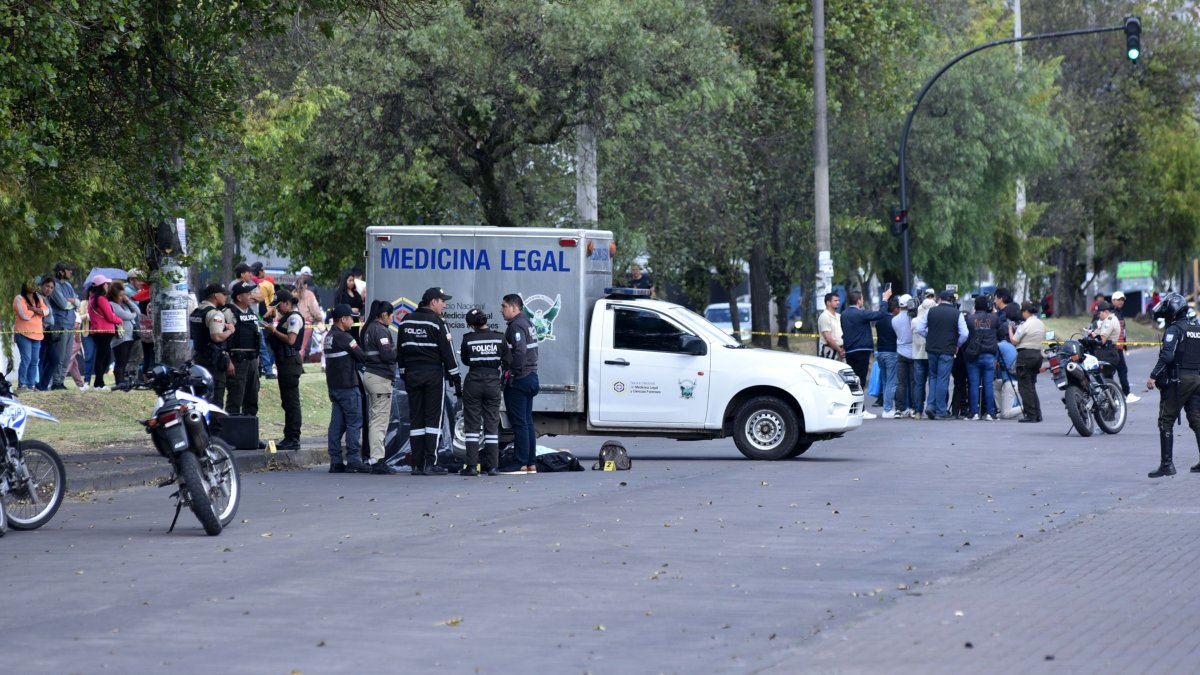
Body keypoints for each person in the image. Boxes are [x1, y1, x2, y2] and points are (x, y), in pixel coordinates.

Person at [397, 287, 461, 476]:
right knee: (433, 419)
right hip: (432, 375)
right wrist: (455, 377)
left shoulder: (406, 321)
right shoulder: (438, 322)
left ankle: (417, 464)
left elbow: (400, 351)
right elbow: (448, 353)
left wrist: (404, 373)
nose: (445, 305)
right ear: (433, 302)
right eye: (442, 301)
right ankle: (430, 463)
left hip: (412, 375)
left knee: (416, 418)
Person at [1145, 292, 1200, 478]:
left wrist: (1153, 375)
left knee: (1165, 420)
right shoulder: (1197, 328)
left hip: (1180, 380)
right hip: (1197, 378)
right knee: (1197, 420)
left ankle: (1167, 465)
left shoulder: (1174, 329)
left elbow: (1167, 356)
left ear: (1172, 311)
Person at [459, 308, 510, 476]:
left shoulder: (468, 339)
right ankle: (493, 467)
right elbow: (507, 361)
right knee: (492, 424)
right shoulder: (499, 337)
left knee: (472, 425)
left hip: (473, 382)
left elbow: (465, 360)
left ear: (472, 325)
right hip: (493, 383)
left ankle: (472, 467)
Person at [323, 304, 370, 474]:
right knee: (354, 424)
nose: (352, 321)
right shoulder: (344, 337)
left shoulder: (329, 337)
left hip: (334, 387)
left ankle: (335, 461)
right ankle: (354, 460)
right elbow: (362, 356)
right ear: (342, 319)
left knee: (336, 425)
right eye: (351, 318)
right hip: (348, 387)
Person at [501, 293, 540, 473]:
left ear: (514, 307)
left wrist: (511, 373)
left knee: (519, 423)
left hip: (520, 379)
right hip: (531, 376)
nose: (501, 310)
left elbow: (520, 351)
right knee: (527, 422)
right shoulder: (528, 322)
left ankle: (521, 462)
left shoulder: (516, 325)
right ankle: (531, 462)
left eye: (504, 306)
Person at [840, 289, 893, 418]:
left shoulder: (844, 314)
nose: (863, 301)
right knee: (861, 380)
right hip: (861, 350)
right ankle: (861, 410)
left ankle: (853, 409)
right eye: (862, 299)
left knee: (852, 381)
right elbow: (880, 314)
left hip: (849, 350)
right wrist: (885, 299)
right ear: (858, 300)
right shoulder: (861, 314)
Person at [360, 299, 399, 474]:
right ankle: (377, 460)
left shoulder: (369, 328)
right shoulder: (381, 330)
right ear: (384, 315)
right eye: (391, 316)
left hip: (371, 376)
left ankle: (374, 457)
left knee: (374, 418)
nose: (392, 318)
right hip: (380, 378)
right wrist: (400, 350)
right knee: (379, 421)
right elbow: (387, 355)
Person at [915, 291, 967, 420]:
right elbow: (964, 334)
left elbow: (920, 329)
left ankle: (930, 405)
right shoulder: (957, 314)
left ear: (939, 300)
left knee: (933, 377)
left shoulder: (930, 311)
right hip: (947, 349)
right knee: (943, 379)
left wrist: (930, 337)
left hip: (932, 349)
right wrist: (957, 344)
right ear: (952, 300)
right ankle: (940, 410)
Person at [263, 289, 305, 450]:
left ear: (287, 303)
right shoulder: (286, 317)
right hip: (284, 362)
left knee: (291, 402)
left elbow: (291, 340)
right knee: (287, 401)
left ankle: (293, 437)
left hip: (290, 362)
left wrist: (274, 331)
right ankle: (289, 436)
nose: (278, 309)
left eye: (279, 306)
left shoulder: (294, 318)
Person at [190, 283, 236, 407]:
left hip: (199, 358)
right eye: (224, 294)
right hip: (213, 361)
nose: (226, 297)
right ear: (216, 295)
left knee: (201, 397)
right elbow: (217, 337)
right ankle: (214, 420)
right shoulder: (215, 314)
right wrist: (230, 330)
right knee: (216, 398)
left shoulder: (197, 311)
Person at [223, 281, 262, 417]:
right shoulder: (228, 313)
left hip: (252, 360)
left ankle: (250, 427)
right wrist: (228, 361)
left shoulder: (251, 312)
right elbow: (222, 340)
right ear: (239, 297)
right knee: (236, 396)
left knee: (252, 396)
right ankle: (233, 428)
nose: (252, 296)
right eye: (248, 294)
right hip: (237, 361)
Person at [963, 296, 1001, 421]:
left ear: (975, 305)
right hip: (989, 355)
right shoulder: (994, 318)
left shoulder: (970, 318)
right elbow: (1000, 328)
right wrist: (993, 310)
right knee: (988, 385)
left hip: (974, 355)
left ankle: (974, 412)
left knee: (973, 384)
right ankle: (990, 412)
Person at [1008, 301, 1046, 423]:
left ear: (1025, 311)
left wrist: (1010, 329)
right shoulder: (1040, 323)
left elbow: (1014, 341)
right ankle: (1037, 414)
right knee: (1031, 386)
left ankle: (1031, 415)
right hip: (1037, 355)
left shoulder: (1025, 325)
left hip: (1025, 356)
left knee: (1024, 386)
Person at [46, 261, 80, 390]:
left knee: (67, 357)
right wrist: (73, 302)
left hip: (70, 324)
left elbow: (78, 302)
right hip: (60, 324)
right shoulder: (55, 286)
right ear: (61, 271)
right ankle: (55, 382)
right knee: (60, 356)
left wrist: (73, 301)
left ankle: (61, 380)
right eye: (68, 270)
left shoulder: (68, 285)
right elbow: (63, 304)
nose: (71, 272)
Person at [85, 275, 123, 391]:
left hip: (97, 331)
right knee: (103, 358)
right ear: (101, 285)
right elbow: (110, 316)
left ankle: (98, 382)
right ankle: (99, 384)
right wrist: (119, 320)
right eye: (106, 284)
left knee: (103, 357)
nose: (107, 285)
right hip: (104, 331)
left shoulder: (92, 299)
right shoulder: (101, 299)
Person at [13, 279, 48, 390]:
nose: (33, 286)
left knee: (34, 361)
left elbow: (46, 311)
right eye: (30, 284)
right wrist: (38, 311)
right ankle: (22, 384)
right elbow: (25, 315)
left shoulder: (38, 298)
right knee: (26, 359)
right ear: (25, 285)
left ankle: (31, 384)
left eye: (34, 284)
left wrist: (32, 309)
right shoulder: (19, 298)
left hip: (37, 334)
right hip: (23, 334)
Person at [107, 282, 141, 387]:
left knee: (125, 360)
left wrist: (128, 301)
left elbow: (138, 312)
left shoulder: (124, 304)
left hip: (129, 336)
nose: (123, 297)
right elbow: (125, 316)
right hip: (121, 337)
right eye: (120, 295)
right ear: (114, 295)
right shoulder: (112, 305)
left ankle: (123, 380)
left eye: (124, 295)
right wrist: (133, 314)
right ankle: (119, 381)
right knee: (120, 361)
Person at [909, 290, 936, 419]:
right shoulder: (933, 320)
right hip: (930, 355)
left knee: (919, 384)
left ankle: (918, 411)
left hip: (917, 356)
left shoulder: (914, 321)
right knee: (932, 382)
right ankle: (931, 407)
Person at [1110, 291, 1139, 402]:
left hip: (1119, 347)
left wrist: (1125, 346)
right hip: (1112, 348)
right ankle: (1119, 396)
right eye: (1119, 299)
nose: (1121, 302)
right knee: (1115, 371)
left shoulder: (1119, 312)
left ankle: (1119, 396)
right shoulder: (1111, 313)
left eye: (1122, 300)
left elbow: (1123, 331)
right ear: (1113, 300)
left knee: (1120, 370)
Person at [875, 296, 900, 418]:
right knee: (891, 382)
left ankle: (886, 406)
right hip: (891, 352)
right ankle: (888, 409)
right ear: (895, 309)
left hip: (880, 352)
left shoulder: (879, 320)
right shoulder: (894, 321)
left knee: (885, 381)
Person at [892, 295, 915, 418]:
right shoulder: (912, 318)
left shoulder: (894, 320)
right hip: (913, 352)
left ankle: (899, 409)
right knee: (913, 382)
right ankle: (913, 408)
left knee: (901, 383)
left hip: (900, 352)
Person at [294, 266, 323, 360]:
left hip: (293, 322)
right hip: (306, 323)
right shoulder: (310, 294)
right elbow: (315, 310)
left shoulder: (292, 293)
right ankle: (299, 365)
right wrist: (318, 318)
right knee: (302, 348)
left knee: (294, 347)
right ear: (305, 285)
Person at [1089, 301, 1122, 380]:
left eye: (1099, 313)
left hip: (1107, 353)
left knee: (1104, 380)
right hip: (1108, 352)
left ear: (1106, 311)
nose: (1098, 315)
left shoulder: (1109, 321)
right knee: (1106, 380)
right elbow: (1096, 332)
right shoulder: (1109, 320)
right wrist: (1092, 333)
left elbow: (1102, 340)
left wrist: (1093, 337)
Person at [35, 275, 57, 391]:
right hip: (40, 331)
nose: (49, 289)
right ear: (41, 286)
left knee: (54, 359)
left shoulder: (47, 298)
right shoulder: (37, 297)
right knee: (41, 358)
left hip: (48, 332)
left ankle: (43, 385)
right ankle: (38, 385)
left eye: (52, 287)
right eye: (47, 286)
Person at [334, 270, 364, 336]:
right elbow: (337, 307)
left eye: (353, 280)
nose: (352, 282)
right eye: (350, 280)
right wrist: (350, 309)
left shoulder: (356, 293)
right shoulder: (340, 293)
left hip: (356, 320)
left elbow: (361, 305)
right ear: (345, 281)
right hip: (345, 321)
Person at [817, 292, 844, 362]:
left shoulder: (839, 316)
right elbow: (828, 338)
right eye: (835, 301)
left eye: (838, 300)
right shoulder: (824, 316)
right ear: (828, 303)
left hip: (840, 350)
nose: (838, 302)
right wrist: (840, 350)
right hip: (829, 351)